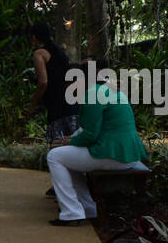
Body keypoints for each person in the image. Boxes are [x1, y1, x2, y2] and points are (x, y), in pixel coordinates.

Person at [46, 56, 149, 226]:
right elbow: (91, 129)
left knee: (54, 156)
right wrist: (70, 140)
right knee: (66, 158)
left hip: (114, 155)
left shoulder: (92, 94)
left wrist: (68, 143)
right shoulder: (108, 90)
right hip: (127, 154)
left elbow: (91, 135)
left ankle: (72, 213)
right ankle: (87, 209)